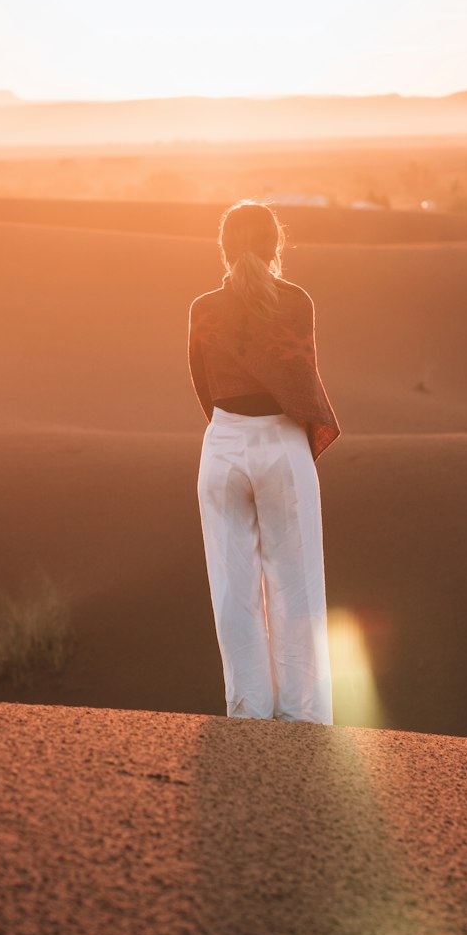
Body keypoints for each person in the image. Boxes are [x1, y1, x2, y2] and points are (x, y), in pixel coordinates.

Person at [187, 200, 341, 724]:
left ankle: (246, 716)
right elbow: (301, 381)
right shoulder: (297, 303)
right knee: (296, 585)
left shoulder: (203, 308)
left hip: (223, 445)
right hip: (280, 444)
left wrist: (234, 429)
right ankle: (304, 721)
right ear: (277, 246)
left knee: (232, 589)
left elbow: (204, 389)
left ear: (224, 248)